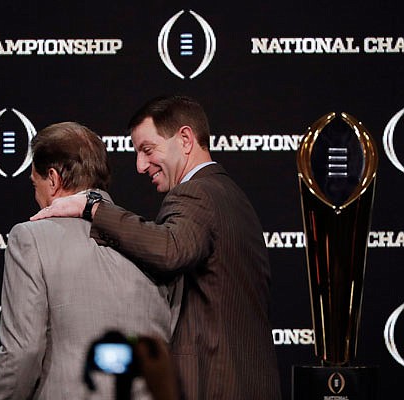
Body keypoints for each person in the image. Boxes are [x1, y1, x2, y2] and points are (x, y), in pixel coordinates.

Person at [31, 96, 282, 399]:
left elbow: (170, 250)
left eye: (147, 150)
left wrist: (94, 208)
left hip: (212, 385)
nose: (140, 165)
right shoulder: (229, 193)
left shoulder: (196, 193)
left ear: (186, 139)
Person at [0, 121, 181, 400]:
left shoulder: (30, 238)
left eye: (35, 184)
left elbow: (23, 352)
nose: (36, 195)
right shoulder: (155, 240)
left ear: (52, 179)